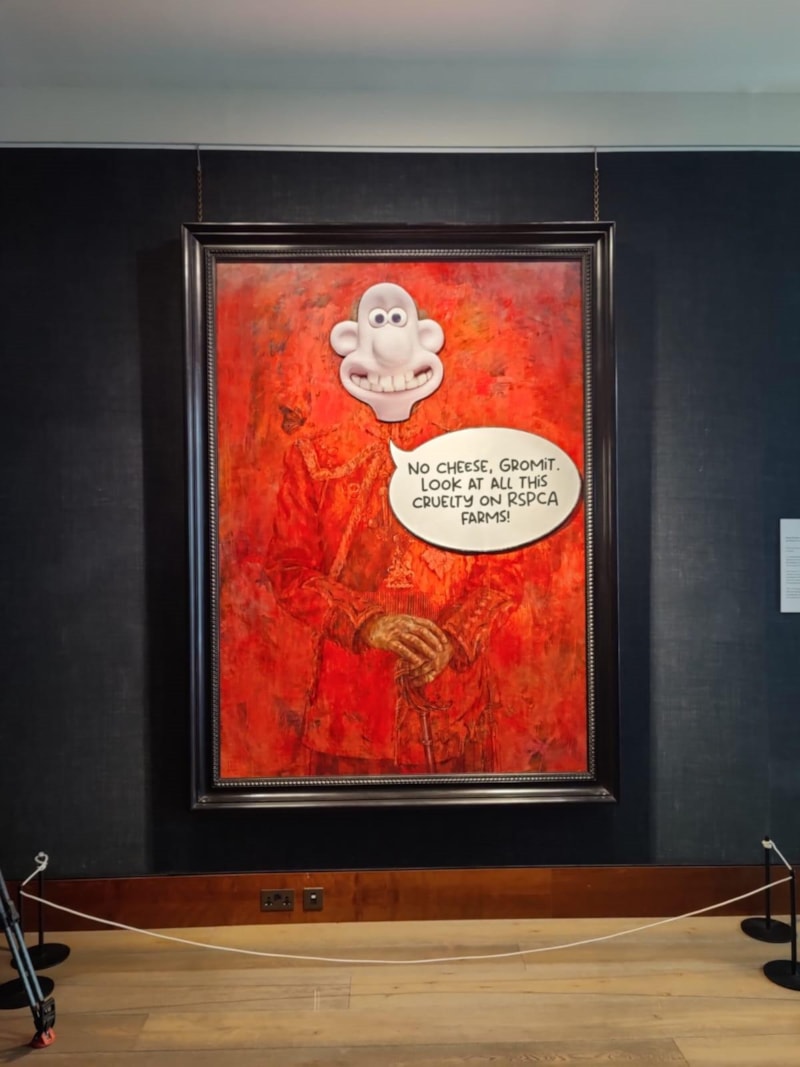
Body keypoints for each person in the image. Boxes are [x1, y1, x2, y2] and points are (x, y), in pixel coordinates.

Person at [264, 282, 523, 776]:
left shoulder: (470, 456)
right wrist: (368, 623)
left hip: (453, 708)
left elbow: (503, 571)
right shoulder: (312, 459)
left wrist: (452, 640)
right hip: (350, 709)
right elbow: (289, 570)